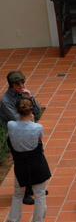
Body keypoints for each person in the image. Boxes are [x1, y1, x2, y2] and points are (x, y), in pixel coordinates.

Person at [4, 98, 51, 222]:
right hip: (37, 164)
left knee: (18, 194)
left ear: (17, 110)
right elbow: (39, 139)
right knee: (40, 194)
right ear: (31, 111)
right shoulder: (37, 127)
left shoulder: (11, 125)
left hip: (20, 165)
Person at [0, 70, 42, 205]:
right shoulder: (6, 100)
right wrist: (30, 117)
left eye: (23, 82)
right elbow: (16, 119)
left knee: (34, 160)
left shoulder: (26, 93)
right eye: (18, 84)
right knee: (22, 165)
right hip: (16, 137)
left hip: (29, 133)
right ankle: (23, 193)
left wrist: (31, 99)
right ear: (11, 86)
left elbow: (37, 111)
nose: (22, 86)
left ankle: (31, 188)